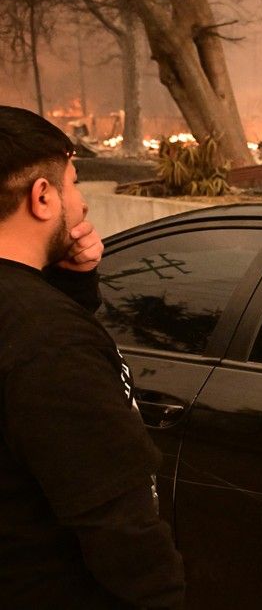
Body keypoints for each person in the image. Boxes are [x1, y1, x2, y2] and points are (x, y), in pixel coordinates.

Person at [0, 106, 184, 608]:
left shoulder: (36, 321)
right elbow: (117, 527)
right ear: (42, 197)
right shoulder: (50, 341)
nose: (81, 207)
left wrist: (68, 283)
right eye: (75, 186)